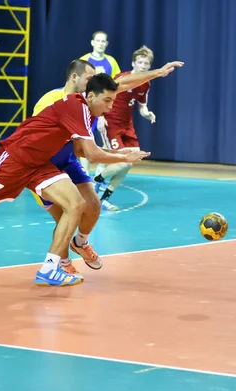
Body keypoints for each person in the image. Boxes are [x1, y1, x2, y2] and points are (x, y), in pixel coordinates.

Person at [0, 61, 183, 287]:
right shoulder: (75, 107)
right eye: (108, 102)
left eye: (113, 101)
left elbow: (119, 86)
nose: (111, 107)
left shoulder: (89, 106)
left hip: (40, 165)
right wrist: (124, 155)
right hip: (14, 159)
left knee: (77, 204)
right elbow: (92, 152)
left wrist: (156, 73)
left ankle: (50, 268)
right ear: (87, 91)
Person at [30, 59, 102, 279]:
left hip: (68, 161)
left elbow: (80, 148)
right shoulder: (49, 102)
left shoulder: (86, 105)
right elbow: (35, 139)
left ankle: (80, 242)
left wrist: (155, 73)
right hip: (43, 165)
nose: (93, 84)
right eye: (89, 79)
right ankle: (61, 263)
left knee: (93, 205)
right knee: (65, 217)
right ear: (75, 77)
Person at [93, 45, 157, 211]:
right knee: (122, 161)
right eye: (140, 62)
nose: (143, 66)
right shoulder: (121, 79)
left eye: (146, 63)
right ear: (133, 63)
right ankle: (95, 181)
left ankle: (103, 198)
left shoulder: (145, 84)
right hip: (111, 123)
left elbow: (142, 107)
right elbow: (102, 97)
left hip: (127, 125)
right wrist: (100, 117)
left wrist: (148, 114)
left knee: (131, 160)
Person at [79, 31, 122, 172]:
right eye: (98, 41)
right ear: (92, 42)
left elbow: (116, 84)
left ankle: (99, 176)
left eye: (103, 41)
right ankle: (84, 176)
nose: (100, 44)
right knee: (85, 143)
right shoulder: (84, 61)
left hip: (104, 109)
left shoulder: (111, 61)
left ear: (107, 44)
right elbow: (79, 86)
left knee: (106, 145)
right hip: (87, 107)